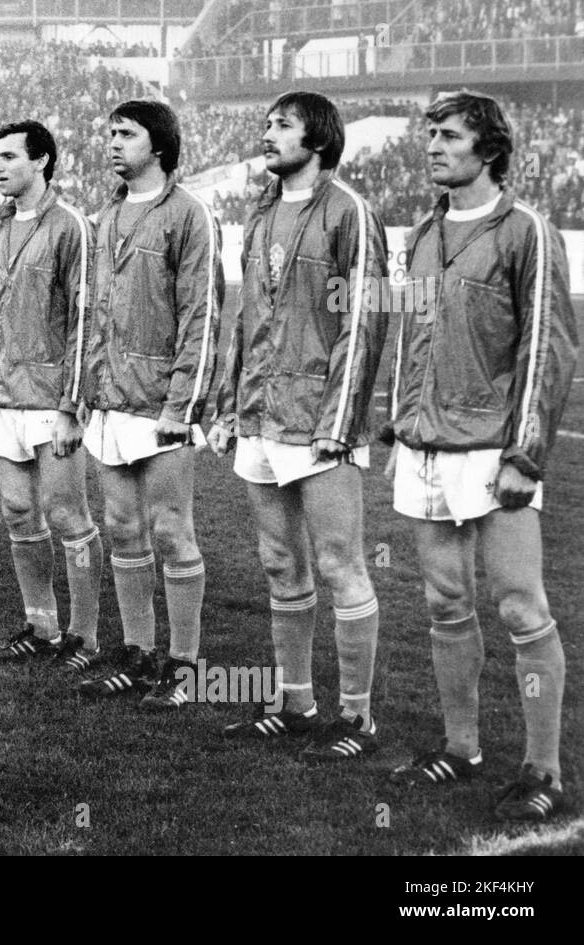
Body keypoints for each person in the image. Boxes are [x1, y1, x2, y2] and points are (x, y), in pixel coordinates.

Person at [384, 92, 577, 821]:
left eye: (450, 135)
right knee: (444, 603)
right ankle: (460, 746)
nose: (432, 145)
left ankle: (543, 767)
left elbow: (546, 345)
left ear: (488, 150)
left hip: (494, 449)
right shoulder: (425, 232)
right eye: (429, 133)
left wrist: (524, 454)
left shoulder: (526, 229)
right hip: (427, 443)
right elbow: (412, 335)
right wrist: (403, 421)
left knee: (522, 606)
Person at [209, 91, 388, 761]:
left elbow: (364, 322)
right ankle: (295, 702)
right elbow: (244, 321)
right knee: (280, 562)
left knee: (340, 563)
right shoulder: (258, 218)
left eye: (282, 125)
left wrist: (339, 419)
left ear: (319, 138)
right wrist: (231, 408)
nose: (268, 134)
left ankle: (357, 718)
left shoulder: (351, 214)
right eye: (266, 124)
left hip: (319, 420)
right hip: (260, 415)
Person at [76, 100, 222, 709]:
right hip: (109, 401)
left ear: (157, 145)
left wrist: (180, 406)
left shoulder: (189, 215)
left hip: (160, 404)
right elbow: (91, 315)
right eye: (110, 133)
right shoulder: (105, 216)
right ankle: (137, 654)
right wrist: (86, 392)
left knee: (170, 530)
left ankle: (184, 666)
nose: (113, 143)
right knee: (122, 528)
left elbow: (201, 316)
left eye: (126, 134)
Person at [0, 120, 104, 672]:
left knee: (67, 513)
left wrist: (73, 405)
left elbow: (86, 319)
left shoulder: (71, 225)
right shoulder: (1, 229)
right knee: (18, 512)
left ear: (43, 161)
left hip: (52, 398)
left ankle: (85, 634)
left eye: (9, 157)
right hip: (4, 395)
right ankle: (40, 624)